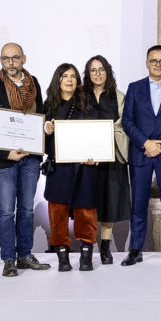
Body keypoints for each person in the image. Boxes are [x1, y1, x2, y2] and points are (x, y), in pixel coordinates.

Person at [0, 42, 52, 277]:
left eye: (15, 58)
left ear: (24, 59)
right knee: (6, 212)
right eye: (6, 58)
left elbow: (38, 115)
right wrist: (4, 153)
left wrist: (44, 131)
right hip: (5, 160)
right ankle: (9, 259)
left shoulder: (34, 83)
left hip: (30, 157)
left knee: (27, 210)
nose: (10, 63)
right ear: (1, 60)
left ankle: (25, 255)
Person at [121, 45, 161, 266]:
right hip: (141, 153)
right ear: (147, 63)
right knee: (138, 205)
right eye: (154, 60)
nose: (158, 64)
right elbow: (127, 121)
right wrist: (145, 143)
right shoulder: (134, 88)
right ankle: (135, 250)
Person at [42, 64, 101, 272]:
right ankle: (62, 256)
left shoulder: (88, 103)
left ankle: (86, 255)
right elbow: (43, 146)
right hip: (59, 168)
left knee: (86, 212)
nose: (69, 80)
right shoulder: (48, 106)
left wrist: (97, 155)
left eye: (73, 76)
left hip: (85, 168)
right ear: (57, 80)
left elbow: (97, 135)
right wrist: (47, 131)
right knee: (57, 212)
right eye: (65, 76)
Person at [82, 55, 131, 265]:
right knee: (89, 203)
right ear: (88, 74)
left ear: (108, 71)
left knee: (109, 203)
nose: (98, 74)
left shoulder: (118, 96)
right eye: (93, 70)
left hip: (112, 157)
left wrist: (107, 134)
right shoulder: (81, 96)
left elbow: (123, 124)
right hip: (87, 159)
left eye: (101, 69)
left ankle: (104, 246)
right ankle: (87, 245)